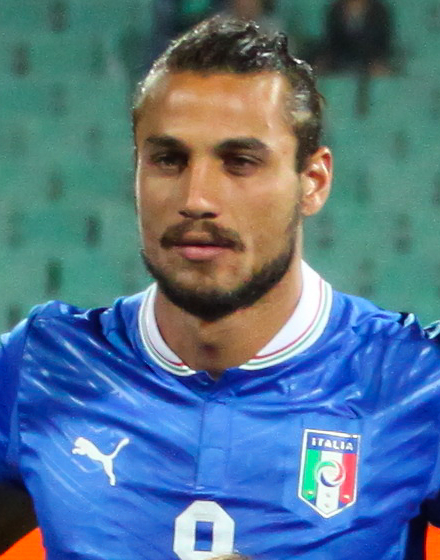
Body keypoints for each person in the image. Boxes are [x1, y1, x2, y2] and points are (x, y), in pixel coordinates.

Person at [1, 15, 440, 560]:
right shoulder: (44, 366)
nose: (197, 198)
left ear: (313, 182)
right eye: (168, 160)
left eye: (240, 162)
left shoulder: (413, 382)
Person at [316, 0, 393, 75]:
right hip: (341, 59)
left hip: (370, 58)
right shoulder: (336, 9)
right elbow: (332, 41)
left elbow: (382, 41)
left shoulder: (378, 10)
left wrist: (376, 61)